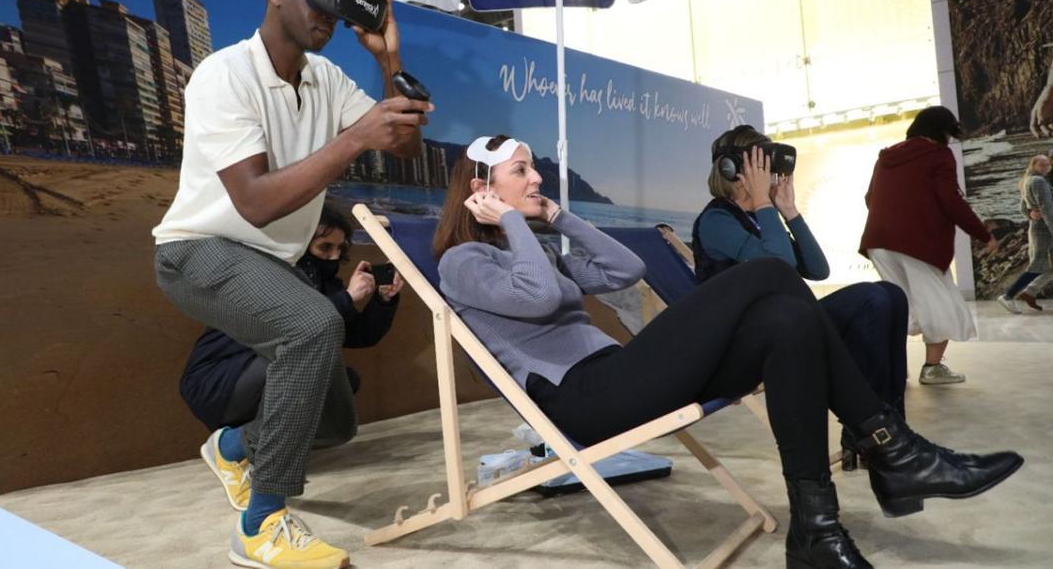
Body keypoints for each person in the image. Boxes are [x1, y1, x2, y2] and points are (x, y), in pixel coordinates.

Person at [435, 134, 1022, 569]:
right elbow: (537, 300)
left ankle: (817, 531)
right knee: (768, 273)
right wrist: (514, 222)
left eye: (534, 170)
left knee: (786, 320)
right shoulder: (462, 263)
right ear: (482, 188)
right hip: (585, 399)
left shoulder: (542, 250)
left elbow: (627, 268)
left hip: (621, 376)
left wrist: (556, 217)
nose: (536, 179)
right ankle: (895, 452)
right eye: (521, 171)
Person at [152, 0, 431, 569]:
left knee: (334, 424)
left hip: (269, 265)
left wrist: (389, 60)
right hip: (197, 250)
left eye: (338, 8)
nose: (329, 18)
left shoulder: (326, 79)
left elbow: (404, 147)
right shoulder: (224, 75)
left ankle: (231, 448)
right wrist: (355, 136)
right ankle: (260, 528)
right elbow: (253, 202)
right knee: (313, 324)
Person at [692, 126, 908, 470]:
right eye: (760, 166)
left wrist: (789, 211)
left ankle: (889, 426)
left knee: (891, 296)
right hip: (749, 341)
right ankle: (873, 433)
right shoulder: (718, 219)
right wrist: (766, 204)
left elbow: (818, 269)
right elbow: (780, 266)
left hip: (788, 322)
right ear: (733, 171)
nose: (769, 175)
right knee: (871, 299)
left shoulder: (759, 218)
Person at [180, 205, 405, 508]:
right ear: (302, 241)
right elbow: (298, 328)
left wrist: (382, 301)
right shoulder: (267, 273)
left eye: (340, 248)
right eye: (325, 247)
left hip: (263, 371)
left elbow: (359, 336)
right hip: (219, 380)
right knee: (305, 364)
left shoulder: (327, 283)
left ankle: (250, 448)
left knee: (342, 382)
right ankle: (231, 449)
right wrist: (347, 299)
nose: (335, 257)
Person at [861, 106, 998, 385]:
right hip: (918, 243)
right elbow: (951, 201)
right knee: (941, 305)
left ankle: (892, 370)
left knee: (900, 307)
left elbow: (869, 197)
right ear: (944, 131)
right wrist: (983, 234)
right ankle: (932, 369)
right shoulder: (938, 155)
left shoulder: (887, 157)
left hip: (878, 242)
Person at [998, 155, 1053, 313]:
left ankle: (1029, 292)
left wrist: (1030, 214)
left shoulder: (1027, 180)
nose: (1045, 167)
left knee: (1047, 266)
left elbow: (1022, 208)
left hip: (1039, 228)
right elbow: (1047, 209)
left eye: (1046, 165)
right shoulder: (1039, 181)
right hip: (1044, 230)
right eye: (1041, 165)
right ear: (1034, 165)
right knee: (1036, 266)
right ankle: (1008, 296)